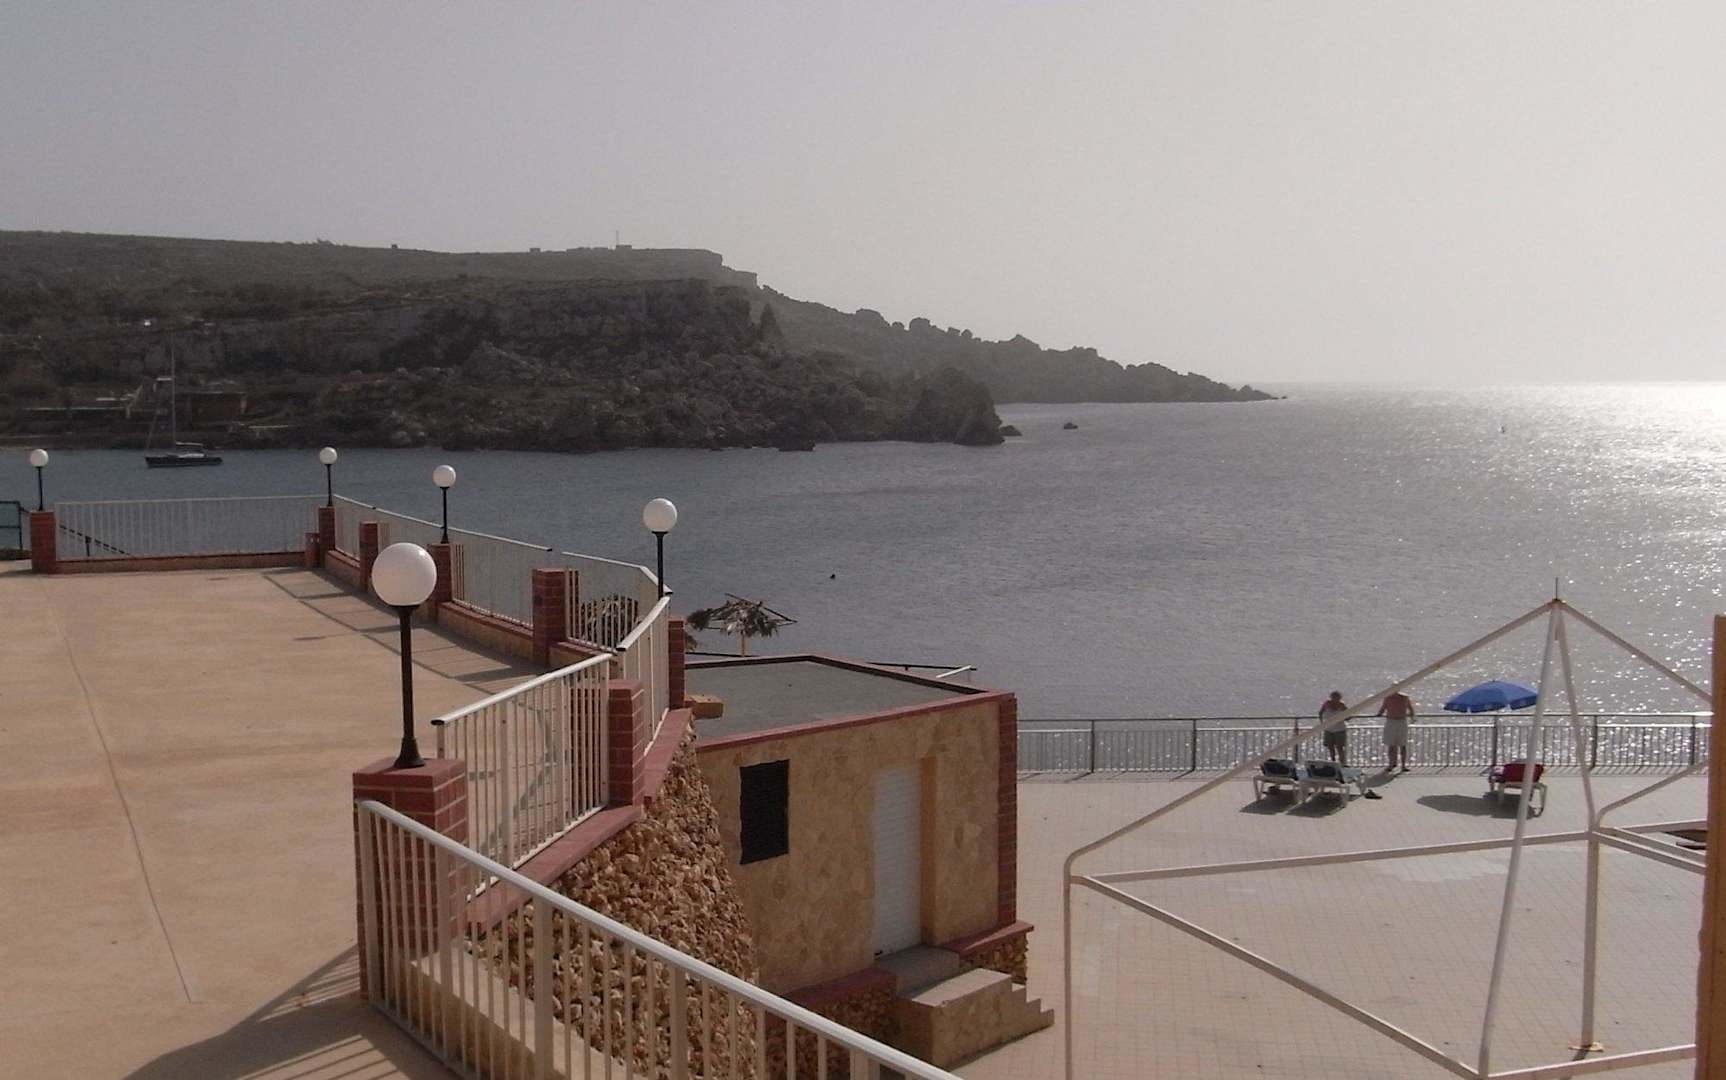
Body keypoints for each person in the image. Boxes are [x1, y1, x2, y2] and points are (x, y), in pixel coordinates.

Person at [1377, 690, 1416, 772]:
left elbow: (1411, 709)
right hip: (1394, 721)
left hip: (1399, 721)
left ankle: (1401, 765)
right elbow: (1382, 709)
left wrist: (1412, 717)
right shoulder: (1389, 698)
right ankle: (1392, 764)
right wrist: (1412, 717)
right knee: (1392, 744)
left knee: (1401, 744)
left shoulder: (1404, 697)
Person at [1318, 691, 1349, 765]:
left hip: (1339, 729)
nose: (1335, 699)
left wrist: (1343, 717)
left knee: (1340, 747)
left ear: (1339, 698)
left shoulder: (1342, 705)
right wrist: (1322, 723)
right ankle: (1333, 762)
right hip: (1329, 729)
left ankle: (1342, 763)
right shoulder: (1326, 704)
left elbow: (1348, 716)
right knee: (1330, 747)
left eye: (1337, 697)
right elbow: (1320, 712)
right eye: (1333, 697)